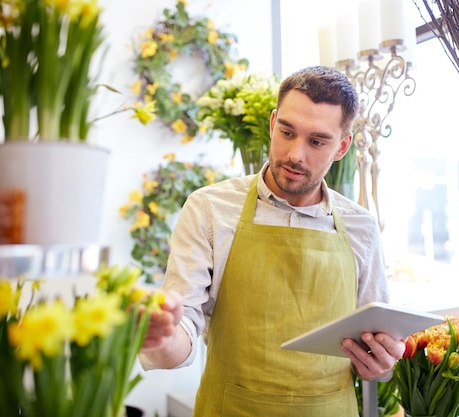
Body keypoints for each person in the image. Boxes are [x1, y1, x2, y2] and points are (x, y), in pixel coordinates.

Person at [139, 65, 406, 416]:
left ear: (342, 146)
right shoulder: (210, 209)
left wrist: (382, 364)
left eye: (316, 141)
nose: (296, 154)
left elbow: (378, 353)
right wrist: (159, 335)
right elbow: (183, 331)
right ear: (272, 122)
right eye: (287, 132)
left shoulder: (362, 228)